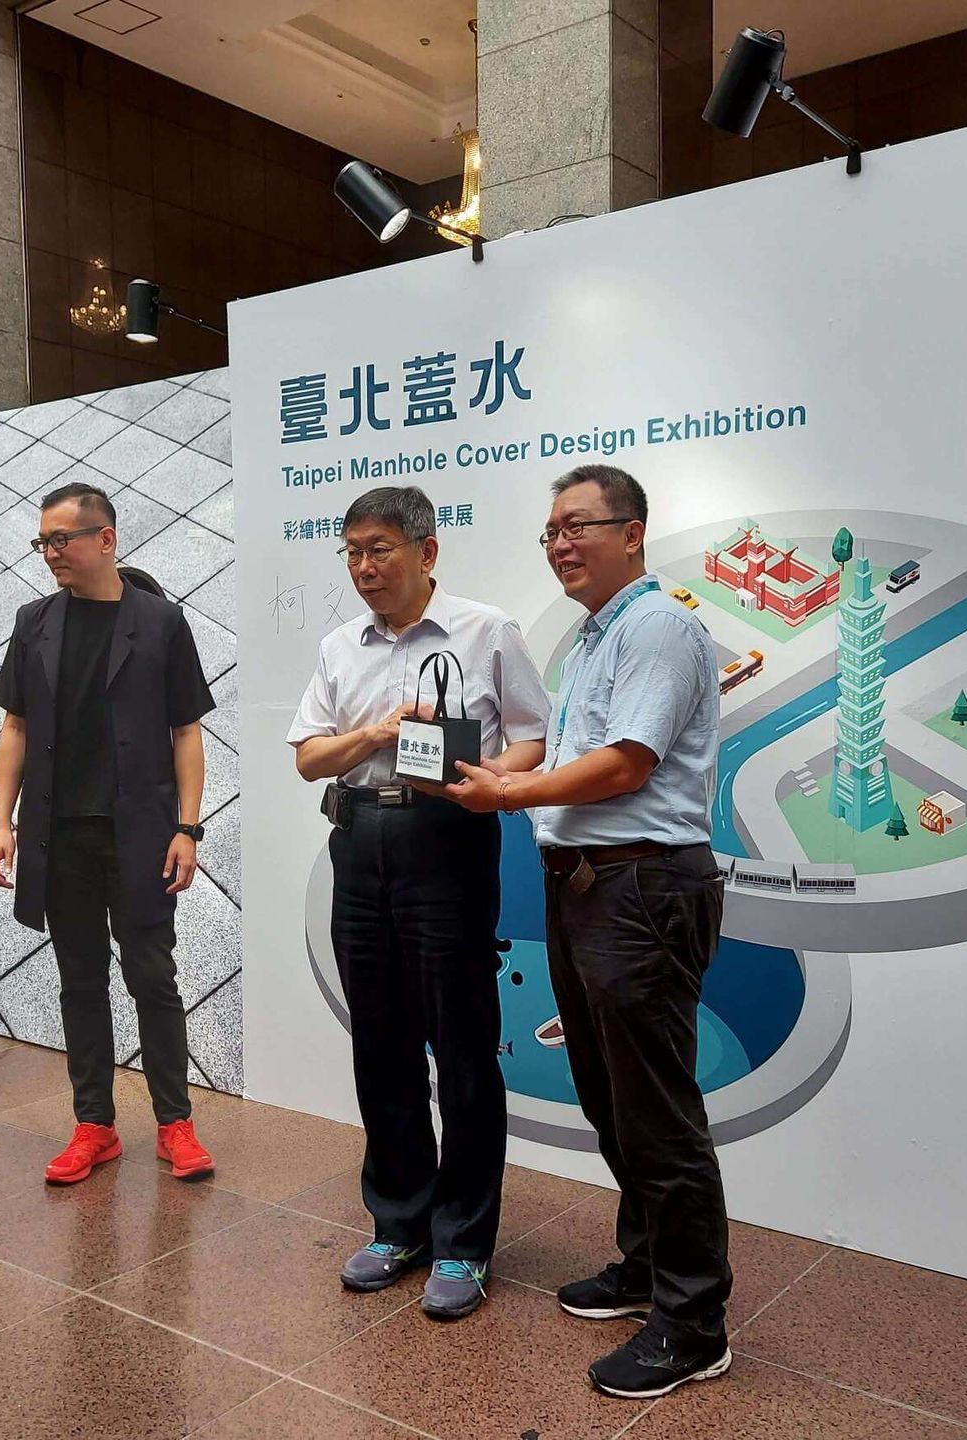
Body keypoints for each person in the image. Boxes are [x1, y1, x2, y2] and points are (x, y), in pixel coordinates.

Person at [444, 464, 732, 1399]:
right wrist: (500, 775)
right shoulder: (598, 635)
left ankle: (693, 1325)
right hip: (588, 886)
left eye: (579, 527)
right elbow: (581, 761)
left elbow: (626, 764)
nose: (561, 545)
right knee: (612, 1099)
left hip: (640, 886)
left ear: (632, 532)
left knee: (656, 1109)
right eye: (551, 533)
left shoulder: (658, 628)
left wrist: (510, 792)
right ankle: (646, 1269)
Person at [288, 485, 549, 1321]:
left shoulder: (487, 630)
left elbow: (533, 737)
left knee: (462, 1043)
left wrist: (487, 779)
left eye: (379, 550)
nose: (364, 568)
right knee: (381, 1039)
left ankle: (464, 1240)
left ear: (426, 551)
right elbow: (309, 757)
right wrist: (377, 734)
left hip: (448, 837)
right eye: (352, 553)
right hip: (359, 838)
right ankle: (398, 1223)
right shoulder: (340, 646)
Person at [0, 481, 217, 1186]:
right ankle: (95, 1124)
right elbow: (15, 727)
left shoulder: (160, 621)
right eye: (42, 542)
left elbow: (186, 732)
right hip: (60, 836)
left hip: (140, 834)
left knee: (152, 975)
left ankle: (175, 1123)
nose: (50, 553)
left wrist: (188, 827)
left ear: (105, 538)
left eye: (62, 539)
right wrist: (0, 822)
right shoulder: (34, 622)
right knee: (79, 980)